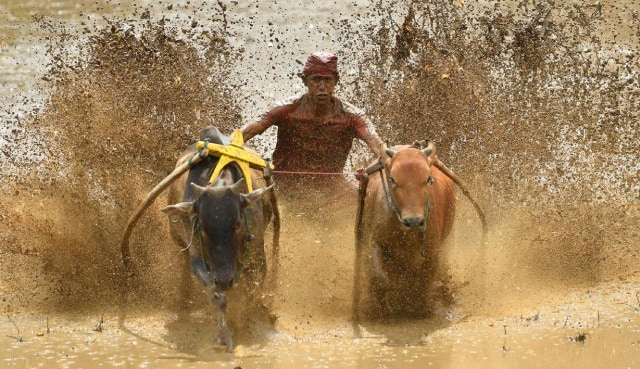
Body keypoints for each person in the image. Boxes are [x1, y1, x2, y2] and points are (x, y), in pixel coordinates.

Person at [241, 51, 383, 176]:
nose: (322, 87)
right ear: (305, 81)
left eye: (327, 80)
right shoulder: (286, 109)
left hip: (333, 189)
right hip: (283, 186)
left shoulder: (352, 116)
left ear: (336, 81)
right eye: (316, 80)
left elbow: (378, 147)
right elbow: (245, 133)